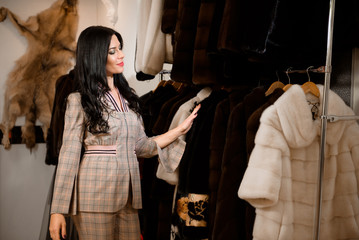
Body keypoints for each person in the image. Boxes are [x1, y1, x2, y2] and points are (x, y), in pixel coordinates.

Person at [49, 25, 200, 240]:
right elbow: (69, 154)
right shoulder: (79, 100)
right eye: (113, 51)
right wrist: (58, 210)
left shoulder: (128, 98)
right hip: (93, 195)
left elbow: (142, 147)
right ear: (94, 56)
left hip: (129, 197)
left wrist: (179, 130)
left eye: (120, 49)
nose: (121, 55)